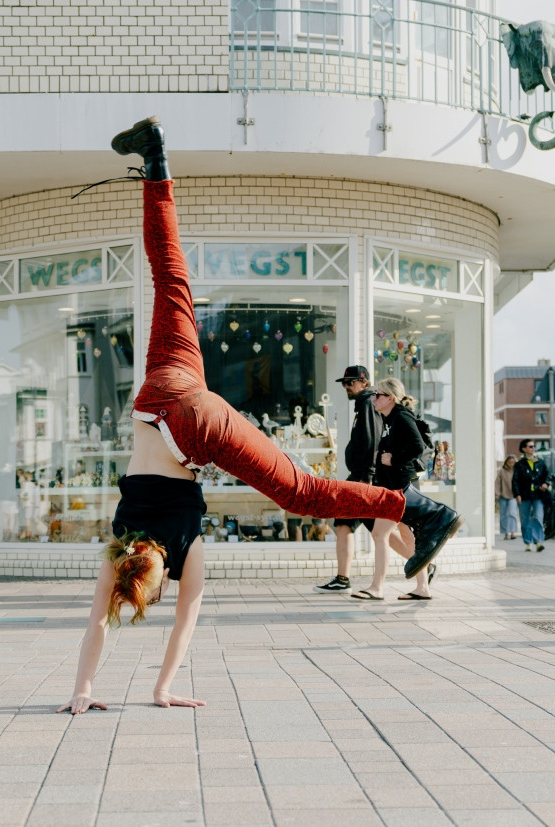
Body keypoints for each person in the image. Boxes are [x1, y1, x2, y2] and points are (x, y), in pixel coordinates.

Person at [59, 117, 462, 714]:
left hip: (192, 426)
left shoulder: (182, 552)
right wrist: (80, 689)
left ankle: (423, 511)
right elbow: (97, 622)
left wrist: (158, 688)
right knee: (170, 277)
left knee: (302, 492)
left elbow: (180, 620)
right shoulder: (118, 547)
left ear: (155, 577)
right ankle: (156, 162)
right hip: (159, 392)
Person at [349, 377, 440, 601]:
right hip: (395, 486)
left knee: (380, 534)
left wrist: (394, 459)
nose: (374, 399)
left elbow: (417, 446)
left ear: (390, 398)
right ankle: (423, 587)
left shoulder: (400, 416)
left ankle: (377, 587)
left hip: (401, 486)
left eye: (378, 395)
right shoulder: (388, 418)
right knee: (408, 538)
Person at [316, 365, 380, 593]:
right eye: (344, 383)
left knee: (350, 523)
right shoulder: (364, 404)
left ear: (364, 382)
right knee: (361, 525)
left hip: (362, 478)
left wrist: (367, 476)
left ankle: (343, 578)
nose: (346, 386)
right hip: (362, 476)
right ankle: (423, 565)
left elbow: (372, 440)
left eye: (350, 382)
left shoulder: (367, 403)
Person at [512, 439, 549, 552]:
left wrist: (545, 483)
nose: (532, 449)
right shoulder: (519, 464)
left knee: (538, 517)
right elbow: (515, 480)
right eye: (530, 446)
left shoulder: (540, 462)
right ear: (524, 449)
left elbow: (547, 475)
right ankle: (528, 542)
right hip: (524, 495)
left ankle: (538, 542)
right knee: (525, 519)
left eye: (533, 446)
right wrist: (517, 494)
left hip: (538, 495)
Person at [495, 455, 520, 540]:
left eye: (513, 462)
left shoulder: (516, 471)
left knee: (512, 513)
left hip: (513, 495)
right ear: (506, 463)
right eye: (509, 462)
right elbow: (497, 483)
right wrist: (497, 494)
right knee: (503, 514)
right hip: (503, 495)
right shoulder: (502, 472)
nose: (511, 464)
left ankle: (512, 532)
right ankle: (506, 533)